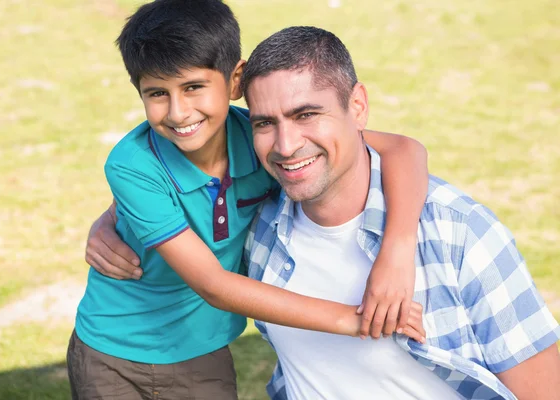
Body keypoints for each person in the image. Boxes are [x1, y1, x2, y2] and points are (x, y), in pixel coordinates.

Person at [70, 1, 432, 399]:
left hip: (202, 350)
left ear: (236, 79)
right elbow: (213, 285)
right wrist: (355, 320)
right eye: (157, 93)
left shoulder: (267, 140)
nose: (177, 112)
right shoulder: (131, 165)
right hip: (112, 352)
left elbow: (404, 149)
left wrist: (397, 252)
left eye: (193, 87)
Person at [238, 26, 560, 399]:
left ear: (357, 106)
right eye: (264, 123)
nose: (286, 144)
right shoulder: (260, 228)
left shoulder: (461, 236)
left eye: (307, 114)